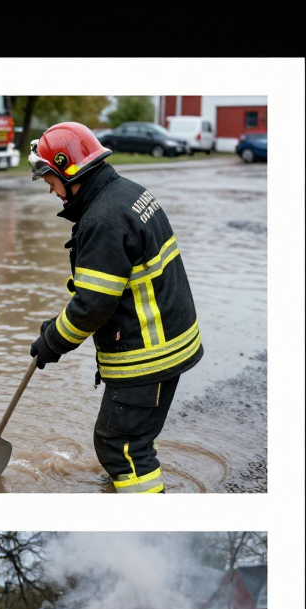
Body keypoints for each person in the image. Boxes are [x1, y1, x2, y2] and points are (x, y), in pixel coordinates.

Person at [27, 122, 203, 494]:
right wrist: (55, 326)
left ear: (67, 171)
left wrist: (52, 343)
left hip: (147, 355)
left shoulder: (101, 220)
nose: (52, 192)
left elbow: (93, 307)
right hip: (170, 342)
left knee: (121, 447)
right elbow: (106, 289)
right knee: (129, 443)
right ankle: (123, 489)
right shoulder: (127, 193)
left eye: (51, 181)